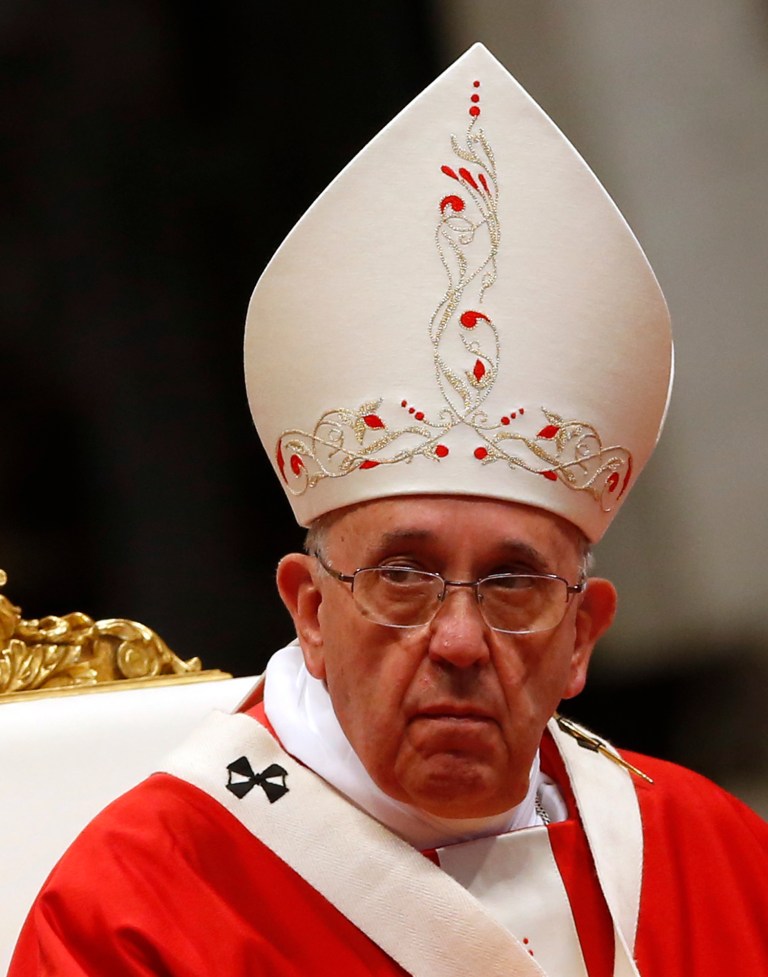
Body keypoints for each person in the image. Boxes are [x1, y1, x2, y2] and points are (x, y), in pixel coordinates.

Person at [9, 42, 767, 977]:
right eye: (402, 575)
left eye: (514, 581)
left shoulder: (711, 858)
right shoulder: (137, 915)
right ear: (311, 610)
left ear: (581, 636)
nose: (457, 639)